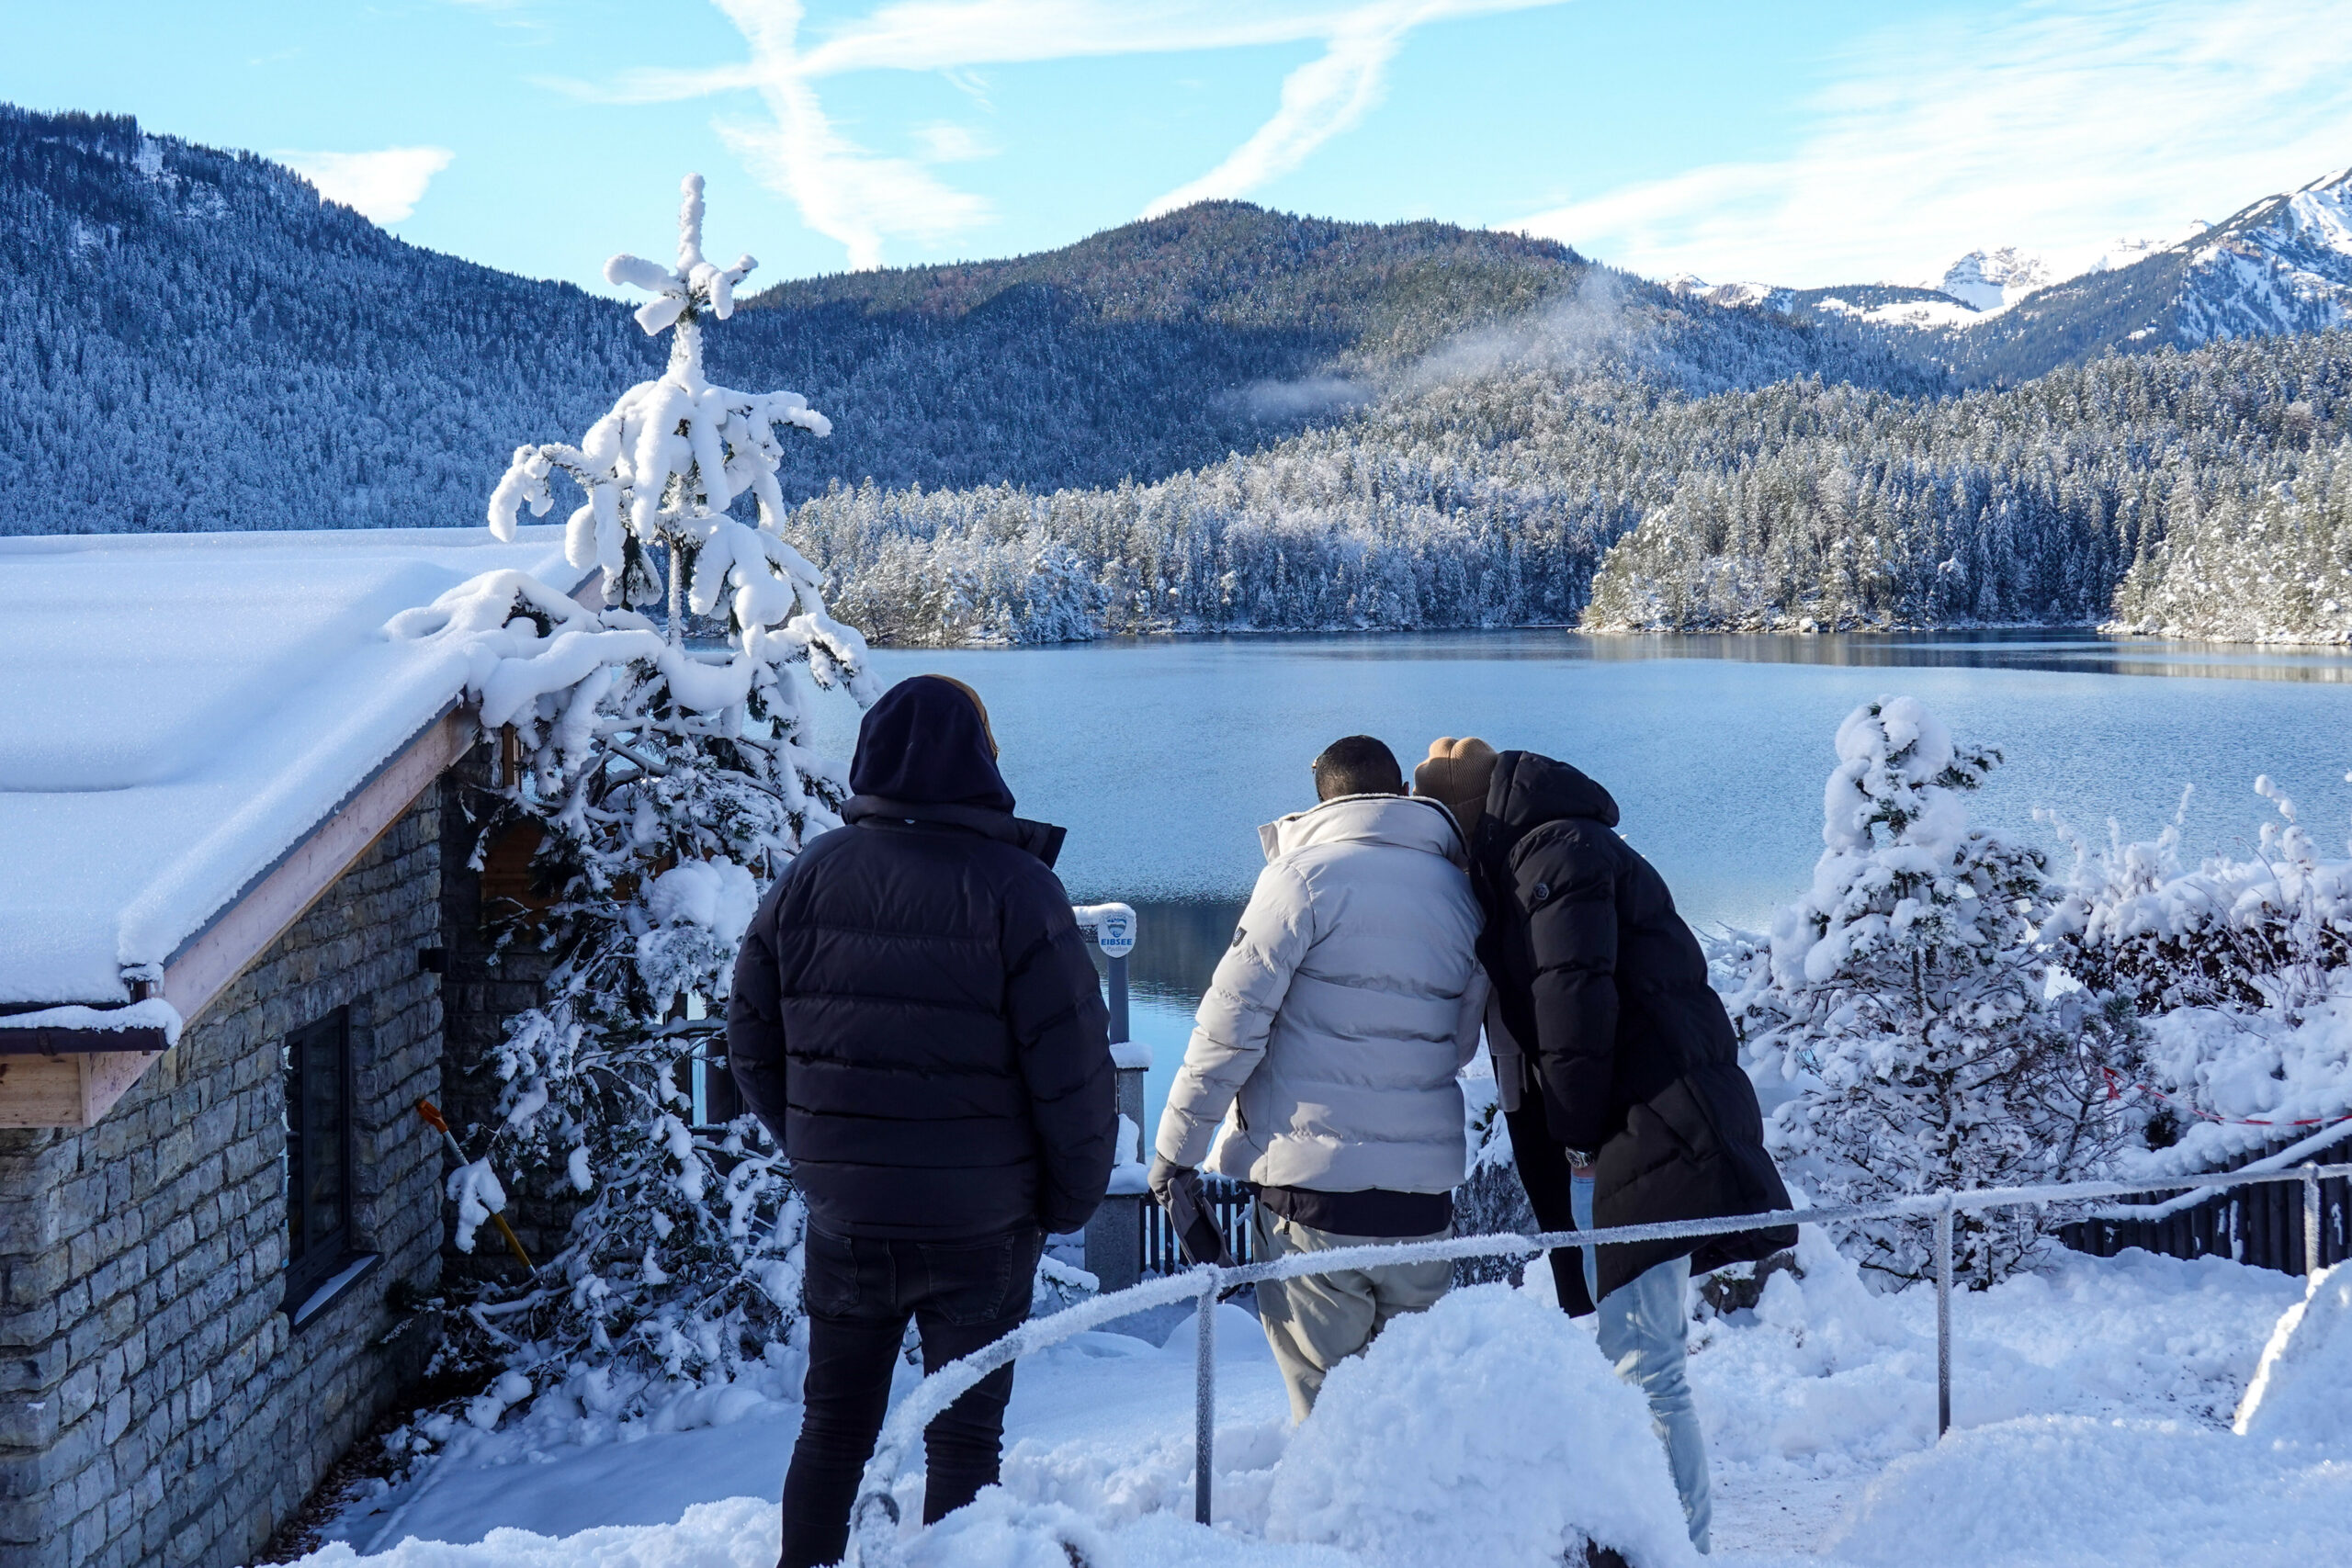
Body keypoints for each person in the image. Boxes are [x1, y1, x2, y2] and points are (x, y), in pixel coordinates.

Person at [729, 674, 1115, 1568]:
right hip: (983, 1226)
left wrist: (821, 1147)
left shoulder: (809, 877)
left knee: (831, 1430)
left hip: (849, 1218)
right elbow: (1074, 1074)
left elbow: (747, 1040)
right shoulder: (1018, 888)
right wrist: (1065, 1203)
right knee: (962, 1439)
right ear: (981, 760)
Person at [1415, 737, 1795, 1556]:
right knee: (1637, 1359)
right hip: (1638, 1130)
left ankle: (1676, 1546)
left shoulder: (1559, 856)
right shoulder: (1545, 851)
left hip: (1645, 1130)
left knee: (1649, 1366)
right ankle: (1661, 1537)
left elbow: (1573, 1010)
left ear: (1466, 815)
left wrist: (1578, 1142)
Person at [1150, 735, 1487, 1422]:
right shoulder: (1461, 894)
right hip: (1422, 1211)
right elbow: (1459, 1043)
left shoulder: (1301, 879)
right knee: (1414, 1421)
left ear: (1321, 793)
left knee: (1330, 1428)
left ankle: (1330, 1531)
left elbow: (1228, 1028)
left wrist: (1175, 1155)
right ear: (1398, 796)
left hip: (1312, 1209)